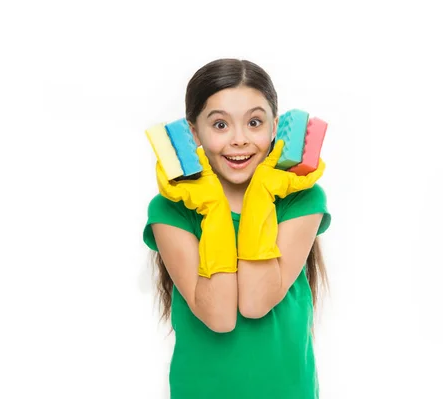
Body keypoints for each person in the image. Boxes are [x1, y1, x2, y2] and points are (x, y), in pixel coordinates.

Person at [142, 58, 332, 399]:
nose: (239, 139)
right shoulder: (170, 210)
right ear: (194, 132)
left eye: (254, 122)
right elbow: (220, 317)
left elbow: (256, 302)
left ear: (275, 127)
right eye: (220, 125)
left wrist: (260, 196)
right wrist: (214, 208)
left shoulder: (302, 201)